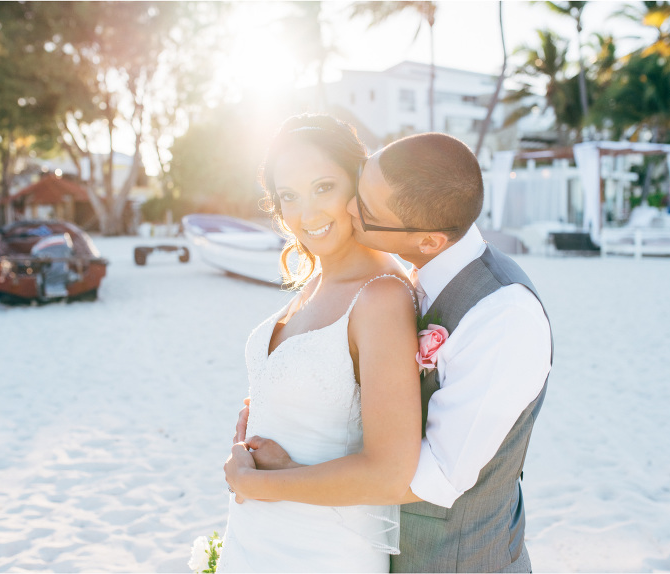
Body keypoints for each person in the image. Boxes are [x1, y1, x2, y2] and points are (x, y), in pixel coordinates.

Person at [228, 132, 553, 573]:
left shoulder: (502, 316)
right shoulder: (413, 280)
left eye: (363, 208)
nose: (346, 210)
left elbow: (428, 475)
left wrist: (279, 479)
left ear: (429, 241)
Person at [215, 114, 422, 573]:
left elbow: (390, 474)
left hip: (323, 551)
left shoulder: (382, 297)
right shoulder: (313, 283)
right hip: (253, 540)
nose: (306, 215)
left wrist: (258, 485)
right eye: (289, 196)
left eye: (323, 187)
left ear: (358, 182)